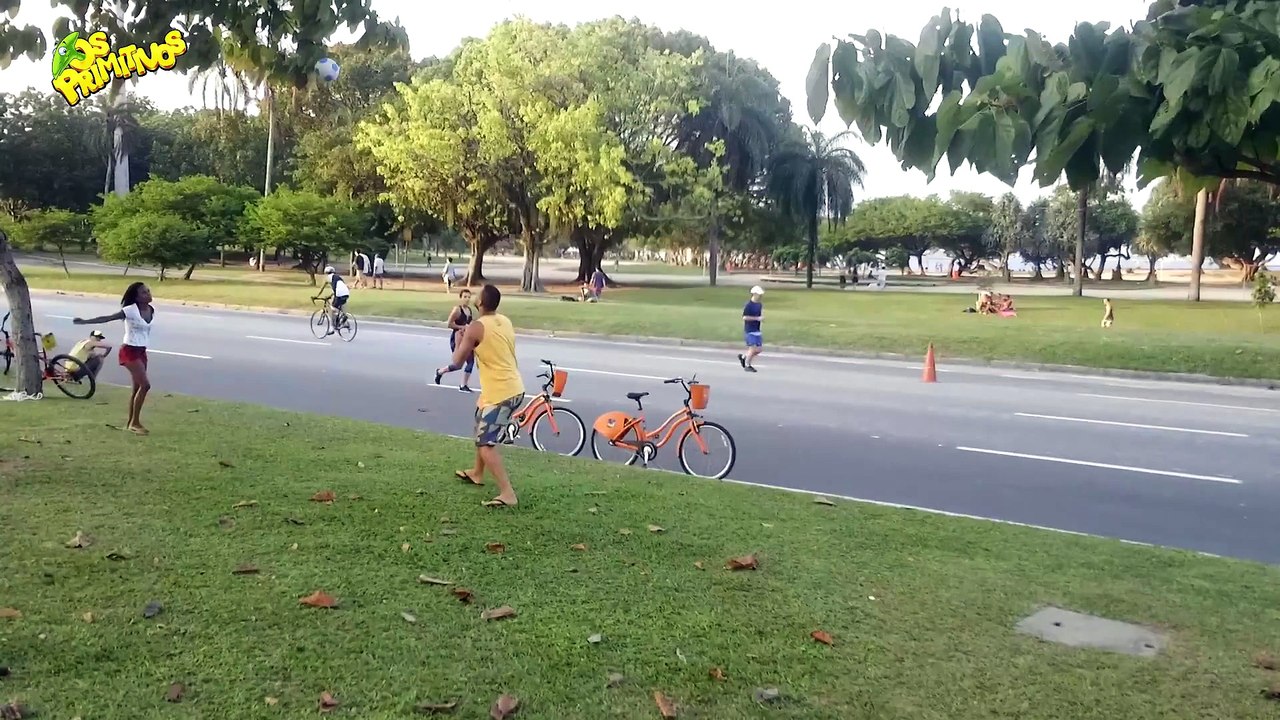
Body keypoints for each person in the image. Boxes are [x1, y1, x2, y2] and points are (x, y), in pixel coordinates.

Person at [442, 284, 524, 508]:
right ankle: (477, 473)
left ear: (480, 303)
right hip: (507, 387)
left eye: (477, 295)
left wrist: (461, 338)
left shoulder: (475, 328)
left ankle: (508, 493)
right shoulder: (504, 320)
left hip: (502, 393)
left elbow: (457, 362)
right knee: (480, 422)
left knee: (485, 443)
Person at [73, 282, 154, 435]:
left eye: (148, 291)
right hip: (129, 351)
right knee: (145, 386)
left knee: (137, 388)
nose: (148, 294)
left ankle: (131, 423)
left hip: (141, 351)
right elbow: (107, 318)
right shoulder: (130, 310)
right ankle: (135, 423)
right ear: (136, 297)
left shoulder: (151, 309)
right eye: (144, 292)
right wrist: (84, 321)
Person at [433, 288, 476, 392]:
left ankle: (463, 385)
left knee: (471, 361)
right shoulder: (457, 310)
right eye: (465, 297)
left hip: (466, 338)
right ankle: (440, 372)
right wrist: (462, 327)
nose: (467, 299)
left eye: (469, 297)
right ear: (460, 298)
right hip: (457, 339)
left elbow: (469, 324)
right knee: (458, 365)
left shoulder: (469, 310)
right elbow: (449, 324)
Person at [317, 266, 352, 334]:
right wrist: (330, 296)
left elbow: (322, 288)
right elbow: (338, 289)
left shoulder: (327, 278)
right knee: (339, 307)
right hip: (346, 293)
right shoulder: (338, 277)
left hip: (339, 294)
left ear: (326, 273)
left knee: (332, 308)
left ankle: (332, 328)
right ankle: (344, 322)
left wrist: (317, 296)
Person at [737, 285, 765, 373]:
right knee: (752, 348)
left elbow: (759, 315)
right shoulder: (748, 305)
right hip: (749, 330)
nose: (760, 296)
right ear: (754, 294)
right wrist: (756, 318)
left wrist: (761, 319)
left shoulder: (759, 305)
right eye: (759, 294)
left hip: (757, 330)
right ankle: (747, 365)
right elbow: (744, 317)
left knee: (759, 349)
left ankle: (744, 357)